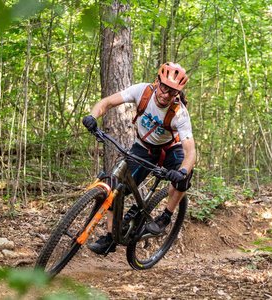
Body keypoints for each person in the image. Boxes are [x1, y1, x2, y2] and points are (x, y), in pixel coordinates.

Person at [81, 62, 197, 255]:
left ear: (177, 93)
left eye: (172, 92)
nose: (165, 94)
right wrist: (92, 116)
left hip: (171, 149)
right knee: (114, 187)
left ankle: (165, 217)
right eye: (164, 87)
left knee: (184, 177)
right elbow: (107, 102)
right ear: (157, 82)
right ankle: (111, 238)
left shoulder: (180, 113)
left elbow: (190, 151)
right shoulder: (142, 91)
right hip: (144, 147)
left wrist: (182, 171)